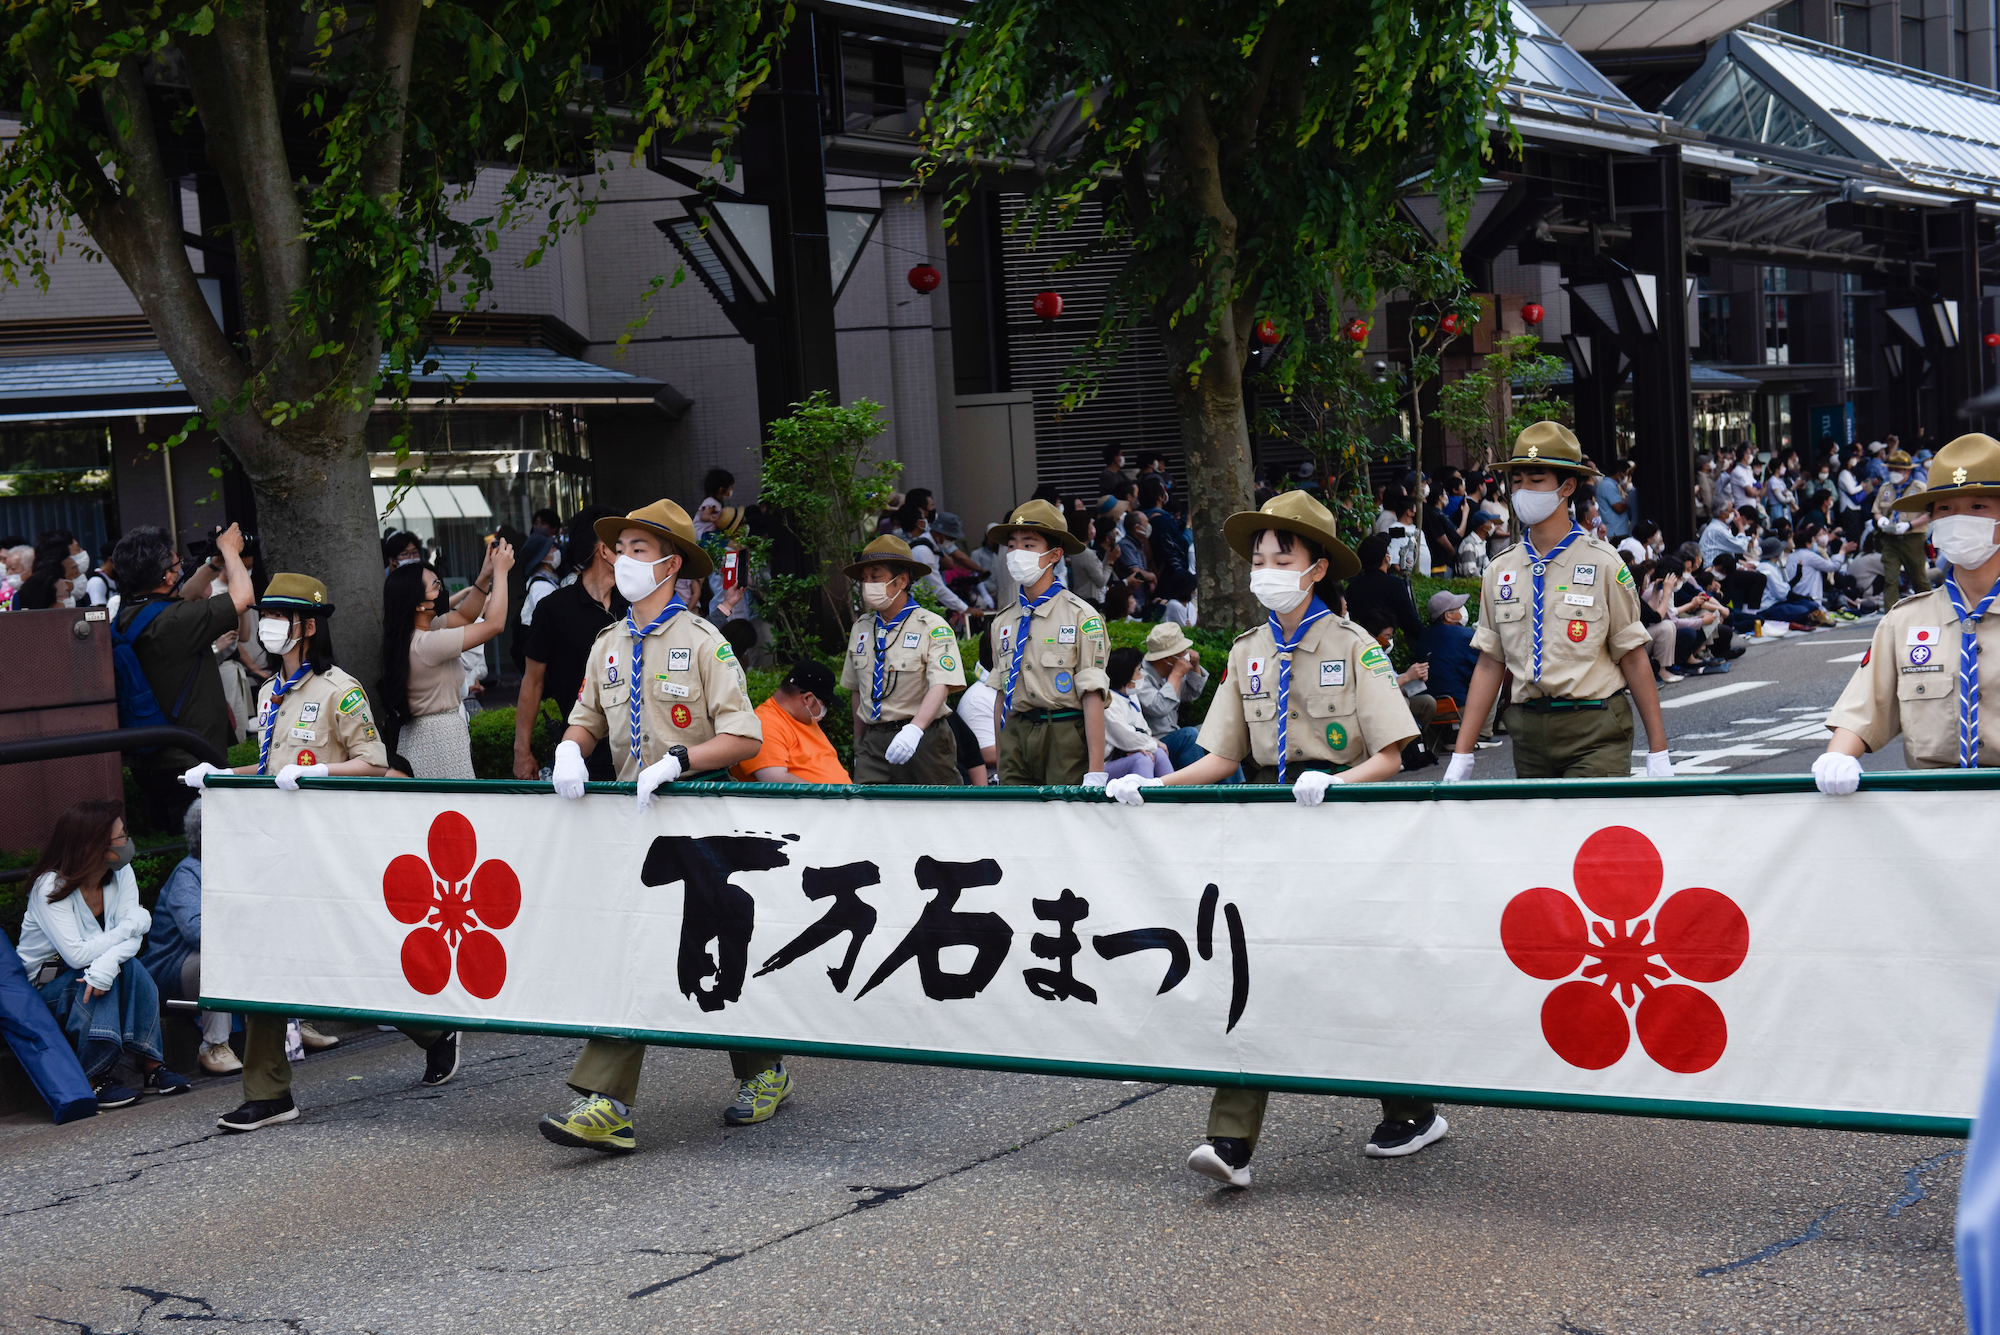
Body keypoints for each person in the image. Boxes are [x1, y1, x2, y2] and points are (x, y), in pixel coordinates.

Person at [1105, 490, 1442, 1182]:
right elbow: (1223, 756)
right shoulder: (1246, 652)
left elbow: (1393, 750)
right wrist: (1153, 786)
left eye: (1280, 555)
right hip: (1266, 825)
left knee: (1351, 972)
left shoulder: (1354, 648)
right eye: (1259, 556)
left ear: (1317, 567)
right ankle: (1231, 1141)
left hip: (1340, 826)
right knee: (1248, 970)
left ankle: (1412, 1108)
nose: (1266, 567)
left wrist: (1340, 782)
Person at [178, 574, 455, 1128]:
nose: (269, 627)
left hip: (330, 853)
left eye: (280, 617)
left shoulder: (339, 690)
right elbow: (268, 769)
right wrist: (219, 774)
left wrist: (320, 772)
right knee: (264, 964)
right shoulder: (268, 692)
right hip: (275, 851)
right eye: (266, 616)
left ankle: (432, 1028)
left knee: (361, 959)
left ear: (307, 626)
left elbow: (375, 764)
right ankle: (269, 1093)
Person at [539, 500, 767, 1154]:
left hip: (701, 815)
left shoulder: (702, 640)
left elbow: (744, 735)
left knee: (719, 943)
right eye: (621, 547)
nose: (623, 559)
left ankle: (764, 1065)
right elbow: (587, 717)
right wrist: (568, 749)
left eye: (639, 548)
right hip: (633, 822)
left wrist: (679, 760)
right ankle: (607, 1102)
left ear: (670, 563)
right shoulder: (606, 644)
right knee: (631, 950)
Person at [1447, 422, 1673, 781]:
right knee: (1542, 836)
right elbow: (1491, 662)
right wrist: (1462, 755)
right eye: (1518, 481)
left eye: (1536, 481)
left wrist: (1658, 752)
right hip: (1529, 734)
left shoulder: (1604, 562)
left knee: (1588, 831)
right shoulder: (1500, 569)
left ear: (1567, 487)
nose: (1523, 491)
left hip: (1595, 727)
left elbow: (1632, 654)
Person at [1817, 433, 2000, 791]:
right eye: (1945, 509)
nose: (1958, 519)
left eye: (1978, 507)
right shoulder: (1904, 621)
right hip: (1931, 812)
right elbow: (1862, 710)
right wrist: (1837, 757)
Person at [15, 800, 190, 1109]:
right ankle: (95, 1076)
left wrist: (110, 959)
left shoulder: (120, 873)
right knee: (92, 978)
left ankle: (152, 1066)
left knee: (128, 967)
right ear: (95, 846)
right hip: (46, 989)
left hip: (92, 969)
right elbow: (76, 955)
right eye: (121, 836)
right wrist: (130, 927)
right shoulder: (49, 887)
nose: (128, 843)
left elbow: (131, 942)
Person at [111, 523, 255, 830]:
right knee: (203, 852)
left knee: (170, 843)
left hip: (150, 756)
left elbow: (184, 597)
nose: (179, 571)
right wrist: (231, 551)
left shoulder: (129, 614)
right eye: (176, 567)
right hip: (189, 760)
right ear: (166, 576)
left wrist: (214, 563)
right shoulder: (175, 622)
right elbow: (243, 598)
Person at [985, 500, 1111, 787]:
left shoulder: (1081, 616)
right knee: (1015, 820)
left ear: (1055, 554)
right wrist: (1002, 753)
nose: (1018, 553)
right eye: (1012, 545)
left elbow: (1093, 694)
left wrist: (1096, 770)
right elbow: (1001, 694)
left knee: (1062, 819)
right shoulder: (1002, 621)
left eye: (1028, 545)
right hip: (1016, 731)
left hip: (1063, 732)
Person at [380, 539, 513, 777]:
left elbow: (464, 615)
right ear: (419, 603)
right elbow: (494, 625)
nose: (442, 591)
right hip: (439, 740)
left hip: (426, 737)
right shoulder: (429, 644)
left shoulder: (418, 633)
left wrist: (485, 575)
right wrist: (502, 573)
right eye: (435, 586)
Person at [514, 505, 628, 781]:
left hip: (639, 754)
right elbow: (532, 682)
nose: (633, 554)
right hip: (580, 756)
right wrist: (522, 752)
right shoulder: (553, 609)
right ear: (604, 550)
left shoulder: (635, 606)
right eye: (625, 544)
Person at [840, 535, 966, 785]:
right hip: (873, 743)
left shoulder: (931, 626)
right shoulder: (862, 628)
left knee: (936, 814)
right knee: (871, 815)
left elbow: (941, 684)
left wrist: (915, 729)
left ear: (902, 581)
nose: (868, 585)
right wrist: (859, 744)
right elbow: (858, 690)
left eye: (875, 577)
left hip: (923, 738)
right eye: (864, 579)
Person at [137, 799, 240, 1075]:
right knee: (217, 956)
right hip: (173, 967)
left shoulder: (238, 868)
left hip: (221, 956)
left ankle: (297, 1026)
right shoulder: (188, 872)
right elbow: (197, 932)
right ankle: (214, 1046)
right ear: (202, 834)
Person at [733, 661, 851, 783]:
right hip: (818, 800)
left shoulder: (805, 719)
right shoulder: (765, 724)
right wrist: (831, 797)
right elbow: (775, 781)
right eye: (825, 704)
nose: (825, 711)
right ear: (808, 698)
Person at [1133, 622, 1210, 770]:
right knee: (1189, 735)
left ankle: (1235, 789)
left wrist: (1195, 667)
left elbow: (1191, 695)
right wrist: (1176, 674)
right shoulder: (1140, 677)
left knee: (1215, 733)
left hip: (1175, 736)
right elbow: (1160, 708)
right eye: (1182, 652)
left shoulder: (1171, 671)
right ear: (1167, 658)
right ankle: (1201, 790)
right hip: (1156, 743)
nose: (1186, 654)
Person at [1872, 449, 1932, 611]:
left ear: (1907, 471)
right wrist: (1881, 520)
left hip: (1913, 539)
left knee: (1919, 578)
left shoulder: (1919, 488)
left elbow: (1929, 513)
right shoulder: (1885, 488)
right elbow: (1876, 510)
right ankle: (1890, 616)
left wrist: (1910, 525)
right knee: (1890, 579)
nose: (1893, 473)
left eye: (1897, 470)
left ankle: (1929, 611)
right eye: (1891, 469)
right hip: (1890, 539)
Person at [1345, 533, 1424, 646]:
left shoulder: (1353, 587)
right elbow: (1409, 619)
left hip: (1360, 642)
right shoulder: (1394, 584)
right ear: (1385, 558)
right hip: (1391, 644)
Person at [1417, 590, 1481, 710]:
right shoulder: (1465, 635)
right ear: (1448, 616)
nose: (1462, 610)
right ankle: (1485, 729)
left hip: (1428, 705)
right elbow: (1484, 668)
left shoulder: (1423, 636)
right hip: (1458, 705)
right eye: (1459, 608)